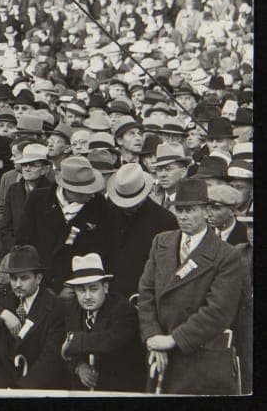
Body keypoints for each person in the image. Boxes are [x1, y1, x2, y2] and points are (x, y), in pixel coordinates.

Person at [136, 178, 243, 395]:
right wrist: (153, 337)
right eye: (179, 209)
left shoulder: (226, 255)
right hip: (160, 355)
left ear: (206, 211)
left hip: (200, 358)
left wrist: (172, 340)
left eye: (190, 210)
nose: (183, 216)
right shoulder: (161, 242)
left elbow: (218, 311)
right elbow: (146, 293)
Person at [0, 245, 67, 389]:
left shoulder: (54, 307)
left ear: (38, 278)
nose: (17, 285)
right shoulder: (4, 293)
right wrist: (2, 313)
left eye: (24, 278)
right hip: (2, 378)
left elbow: (50, 359)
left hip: (35, 383)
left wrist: (20, 390)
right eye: (13, 278)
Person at [15, 156, 110, 291]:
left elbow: (101, 247)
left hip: (78, 284)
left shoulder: (98, 204)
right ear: (69, 189)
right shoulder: (37, 200)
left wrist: (75, 283)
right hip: (41, 281)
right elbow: (23, 242)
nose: (92, 195)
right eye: (85, 192)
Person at [58, 253, 144, 392]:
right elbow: (65, 347)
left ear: (105, 287)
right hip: (85, 391)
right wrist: (79, 365)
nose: (87, 297)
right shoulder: (73, 309)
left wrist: (74, 339)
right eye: (81, 290)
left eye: (93, 289)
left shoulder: (123, 309)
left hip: (121, 388)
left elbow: (111, 341)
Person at [100, 163, 177, 301]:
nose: (128, 208)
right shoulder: (108, 212)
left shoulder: (164, 220)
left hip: (141, 297)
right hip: (108, 295)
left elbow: (165, 267)